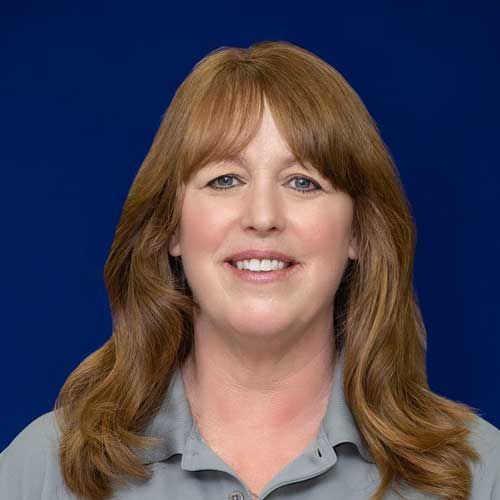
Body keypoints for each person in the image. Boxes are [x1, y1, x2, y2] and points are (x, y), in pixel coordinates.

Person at [1, 40, 499, 500]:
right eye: (224, 179)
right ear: (172, 228)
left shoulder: (479, 474)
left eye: (303, 182)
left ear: (357, 234)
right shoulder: (45, 471)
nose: (262, 216)